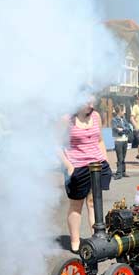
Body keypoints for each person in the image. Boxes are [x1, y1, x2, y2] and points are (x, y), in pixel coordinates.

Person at [59, 94, 111, 253]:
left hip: (97, 164)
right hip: (77, 166)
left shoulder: (96, 116)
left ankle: (97, 238)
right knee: (76, 205)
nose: (91, 105)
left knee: (93, 203)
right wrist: (68, 166)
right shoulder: (67, 119)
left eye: (92, 101)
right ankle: (75, 242)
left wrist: (106, 160)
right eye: (87, 102)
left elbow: (100, 140)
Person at [111, 104, 132, 179]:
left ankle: (123, 172)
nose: (124, 112)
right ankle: (119, 173)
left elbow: (129, 128)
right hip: (118, 140)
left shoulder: (124, 119)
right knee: (120, 157)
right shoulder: (114, 120)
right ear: (119, 111)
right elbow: (115, 129)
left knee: (123, 157)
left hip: (125, 140)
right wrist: (123, 130)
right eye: (123, 110)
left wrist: (122, 129)